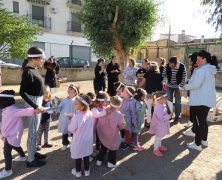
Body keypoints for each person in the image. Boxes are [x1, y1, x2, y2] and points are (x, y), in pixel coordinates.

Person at [182, 50, 216, 151]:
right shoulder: (208, 69)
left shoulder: (202, 70)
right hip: (205, 100)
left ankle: (197, 144)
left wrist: (185, 86)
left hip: (200, 100)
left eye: (198, 59)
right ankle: (204, 140)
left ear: (204, 59)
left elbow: (196, 85)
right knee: (203, 122)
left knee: (199, 123)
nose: (196, 61)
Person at [19, 47, 46, 167]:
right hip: (34, 104)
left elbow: (36, 86)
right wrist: (35, 106)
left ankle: (33, 152)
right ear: (35, 58)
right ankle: (30, 160)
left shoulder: (34, 69)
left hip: (38, 102)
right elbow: (22, 92)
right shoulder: (28, 72)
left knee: (35, 130)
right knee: (33, 132)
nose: (43, 61)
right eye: (42, 58)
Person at [0, 90, 36, 179]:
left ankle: (8, 170)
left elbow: (24, 111)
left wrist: (36, 109)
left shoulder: (12, 109)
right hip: (9, 133)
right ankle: (23, 156)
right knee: (15, 146)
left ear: (4, 101)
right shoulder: (6, 108)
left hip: (12, 134)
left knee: (7, 151)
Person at [68, 94, 94, 178]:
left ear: (82, 107)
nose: (74, 104)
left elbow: (71, 129)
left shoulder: (76, 117)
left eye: (76, 103)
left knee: (78, 156)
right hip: (88, 140)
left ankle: (78, 172)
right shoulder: (90, 113)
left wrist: (71, 119)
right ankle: (87, 171)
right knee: (86, 155)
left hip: (78, 140)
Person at [96, 96, 126, 168]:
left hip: (103, 133)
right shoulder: (119, 115)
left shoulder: (106, 110)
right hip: (113, 135)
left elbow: (101, 119)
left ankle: (99, 160)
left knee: (103, 146)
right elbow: (122, 125)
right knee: (113, 148)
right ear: (119, 106)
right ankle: (111, 162)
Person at [162, 56, 187, 124]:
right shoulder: (167, 66)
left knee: (177, 102)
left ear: (175, 63)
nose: (170, 65)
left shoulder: (182, 66)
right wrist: (165, 82)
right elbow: (163, 75)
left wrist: (180, 88)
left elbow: (184, 78)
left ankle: (177, 117)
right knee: (169, 100)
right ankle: (169, 115)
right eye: (169, 63)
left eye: (171, 64)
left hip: (178, 86)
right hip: (169, 86)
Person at [149, 91, 172, 157]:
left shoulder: (162, 105)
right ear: (160, 99)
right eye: (165, 98)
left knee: (160, 136)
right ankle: (155, 149)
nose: (166, 99)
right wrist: (169, 116)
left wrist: (168, 115)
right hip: (159, 125)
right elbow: (161, 118)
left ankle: (159, 146)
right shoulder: (158, 107)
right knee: (158, 137)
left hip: (162, 125)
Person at [140, 62, 163, 126]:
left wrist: (138, 87)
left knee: (149, 108)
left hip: (149, 93)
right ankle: (157, 121)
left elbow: (142, 83)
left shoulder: (147, 74)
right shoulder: (159, 74)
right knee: (157, 107)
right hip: (157, 93)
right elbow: (162, 84)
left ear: (150, 67)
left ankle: (149, 122)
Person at [57, 84, 79, 151]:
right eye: (68, 89)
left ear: (75, 92)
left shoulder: (77, 100)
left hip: (73, 119)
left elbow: (78, 110)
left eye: (71, 89)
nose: (69, 90)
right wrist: (57, 107)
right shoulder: (64, 100)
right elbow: (59, 109)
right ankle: (65, 143)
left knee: (74, 132)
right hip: (64, 119)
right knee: (65, 132)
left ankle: (74, 144)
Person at [36, 86, 53, 150]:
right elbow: (38, 110)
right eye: (44, 93)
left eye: (47, 93)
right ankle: (38, 144)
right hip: (40, 120)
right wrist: (43, 110)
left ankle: (46, 142)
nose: (46, 94)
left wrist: (52, 111)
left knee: (47, 132)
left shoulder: (50, 101)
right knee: (40, 133)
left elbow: (51, 110)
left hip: (48, 120)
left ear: (49, 93)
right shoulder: (40, 102)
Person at [120, 86, 137, 150]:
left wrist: (134, 122)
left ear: (128, 94)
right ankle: (121, 141)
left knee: (127, 131)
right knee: (121, 130)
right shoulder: (122, 99)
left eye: (123, 91)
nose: (122, 92)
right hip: (121, 118)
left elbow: (133, 113)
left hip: (127, 120)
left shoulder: (131, 102)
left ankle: (126, 143)